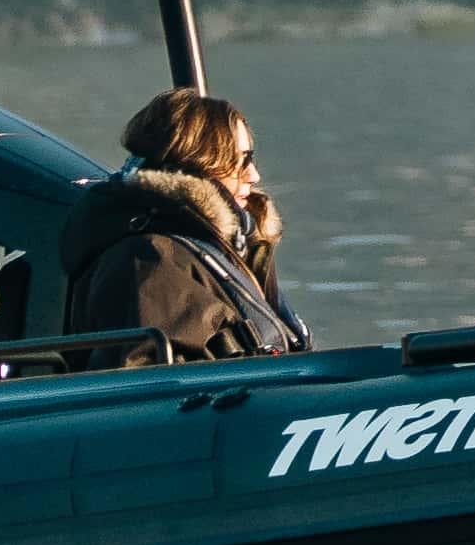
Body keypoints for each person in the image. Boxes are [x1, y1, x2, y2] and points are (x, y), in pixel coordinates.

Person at [72, 85, 308, 360]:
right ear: (200, 162)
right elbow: (149, 389)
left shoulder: (226, 251)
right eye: (241, 160)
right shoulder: (152, 260)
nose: (253, 175)